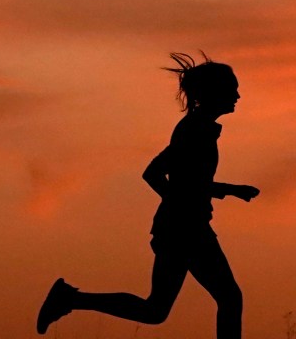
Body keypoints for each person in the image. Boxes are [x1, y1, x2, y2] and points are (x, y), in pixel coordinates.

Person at [38, 55, 257, 339]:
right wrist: (184, 205)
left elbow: (171, 178)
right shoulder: (194, 131)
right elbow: (160, 176)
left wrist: (217, 192)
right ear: (213, 92)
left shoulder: (196, 129)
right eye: (232, 89)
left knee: (156, 310)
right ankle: (70, 299)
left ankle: (71, 299)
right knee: (229, 298)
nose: (238, 95)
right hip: (186, 230)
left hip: (180, 227)